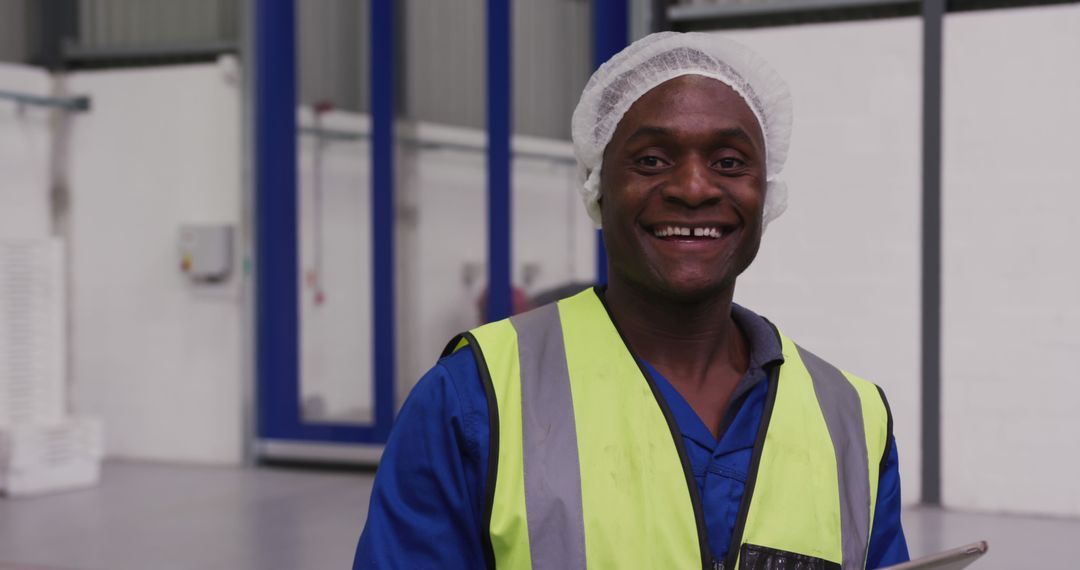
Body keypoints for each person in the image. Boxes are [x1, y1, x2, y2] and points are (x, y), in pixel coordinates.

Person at [354, 32, 909, 570]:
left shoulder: (852, 419)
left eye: (730, 162)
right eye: (651, 160)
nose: (694, 188)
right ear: (598, 186)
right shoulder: (475, 398)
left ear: (767, 193)